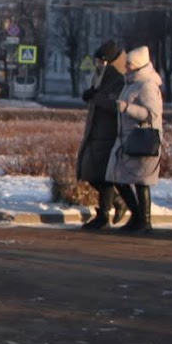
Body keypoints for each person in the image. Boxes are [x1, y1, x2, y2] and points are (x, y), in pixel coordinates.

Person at [105, 43, 165, 234]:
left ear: (138, 65)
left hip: (141, 140)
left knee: (141, 181)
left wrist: (126, 108)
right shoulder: (131, 82)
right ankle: (137, 216)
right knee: (119, 178)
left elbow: (152, 115)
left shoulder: (147, 85)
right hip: (127, 139)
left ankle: (144, 221)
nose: (126, 67)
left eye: (130, 64)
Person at [76, 40, 125, 230]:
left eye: (101, 61)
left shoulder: (118, 77)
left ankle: (104, 215)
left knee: (103, 176)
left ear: (109, 61)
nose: (97, 65)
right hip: (95, 131)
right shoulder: (100, 75)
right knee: (88, 172)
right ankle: (117, 202)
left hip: (109, 132)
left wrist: (96, 97)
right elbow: (99, 96)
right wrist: (90, 94)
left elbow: (116, 105)